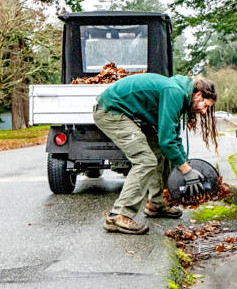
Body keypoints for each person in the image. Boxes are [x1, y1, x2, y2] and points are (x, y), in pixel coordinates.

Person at [93, 73, 218, 234]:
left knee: (160, 152)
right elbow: (167, 140)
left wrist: (185, 164)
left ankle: (157, 204)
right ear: (199, 94)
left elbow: (172, 136)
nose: (204, 111)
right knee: (145, 160)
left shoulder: (179, 92)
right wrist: (186, 171)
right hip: (111, 111)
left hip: (126, 113)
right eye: (205, 105)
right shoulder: (175, 92)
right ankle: (118, 215)